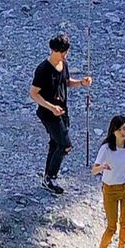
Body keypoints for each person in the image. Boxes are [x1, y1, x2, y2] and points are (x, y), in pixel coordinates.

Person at [29, 34, 90, 195]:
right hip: (48, 114)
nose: (65, 55)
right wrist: (51, 107)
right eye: (62, 52)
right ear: (53, 50)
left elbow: (67, 82)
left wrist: (81, 83)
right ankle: (51, 176)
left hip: (62, 112)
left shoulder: (64, 64)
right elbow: (34, 93)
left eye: (65, 52)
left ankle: (47, 178)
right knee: (65, 145)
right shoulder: (43, 69)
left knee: (55, 143)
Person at [91, 114, 125, 248]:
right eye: (119, 129)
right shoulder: (106, 149)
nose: (123, 132)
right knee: (112, 226)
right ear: (113, 131)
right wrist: (103, 167)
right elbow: (94, 170)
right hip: (110, 189)